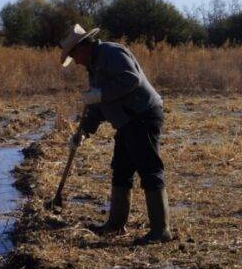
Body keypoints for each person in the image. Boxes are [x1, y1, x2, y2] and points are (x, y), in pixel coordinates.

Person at [59, 24, 172, 244]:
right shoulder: (93, 67)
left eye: (74, 55)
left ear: (84, 47)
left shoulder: (112, 53)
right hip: (127, 122)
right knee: (121, 170)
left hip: (142, 115)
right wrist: (83, 132)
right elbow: (99, 106)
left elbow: (131, 79)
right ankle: (116, 225)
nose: (76, 61)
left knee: (149, 170)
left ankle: (161, 231)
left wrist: (100, 94)